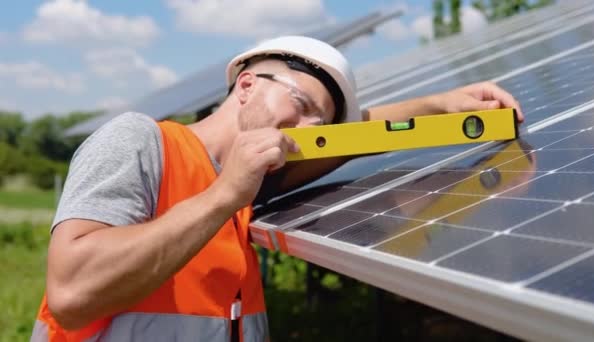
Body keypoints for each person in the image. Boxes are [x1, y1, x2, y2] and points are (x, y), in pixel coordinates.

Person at [31, 35, 523, 341]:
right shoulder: (140, 140)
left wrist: (440, 104)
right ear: (246, 86)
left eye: (320, 122)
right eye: (301, 103)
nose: (307, 130)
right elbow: (73, 292)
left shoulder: (251, 182)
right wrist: (226, 194)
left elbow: (352, 140)